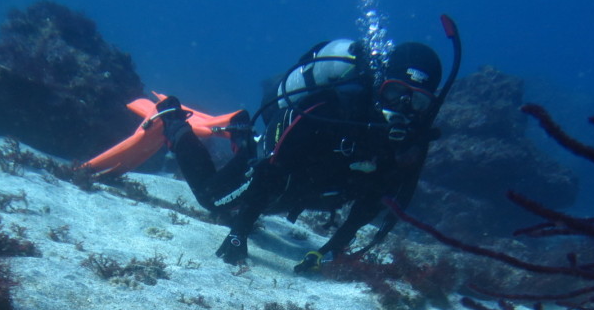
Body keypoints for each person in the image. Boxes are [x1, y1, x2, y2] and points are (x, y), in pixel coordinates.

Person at [153, 28, 460, 272]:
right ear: (380, 84)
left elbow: (371, 203)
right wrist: (239, 233)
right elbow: (272, 170)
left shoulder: (409, 144)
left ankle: (241, 133)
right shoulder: (331, 105)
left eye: (417, 101)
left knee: (269, 205)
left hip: (312, 191)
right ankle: (175, 122)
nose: (403, 107)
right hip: (278, 168)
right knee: (214, 200)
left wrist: (329, 251)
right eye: (395, 92)